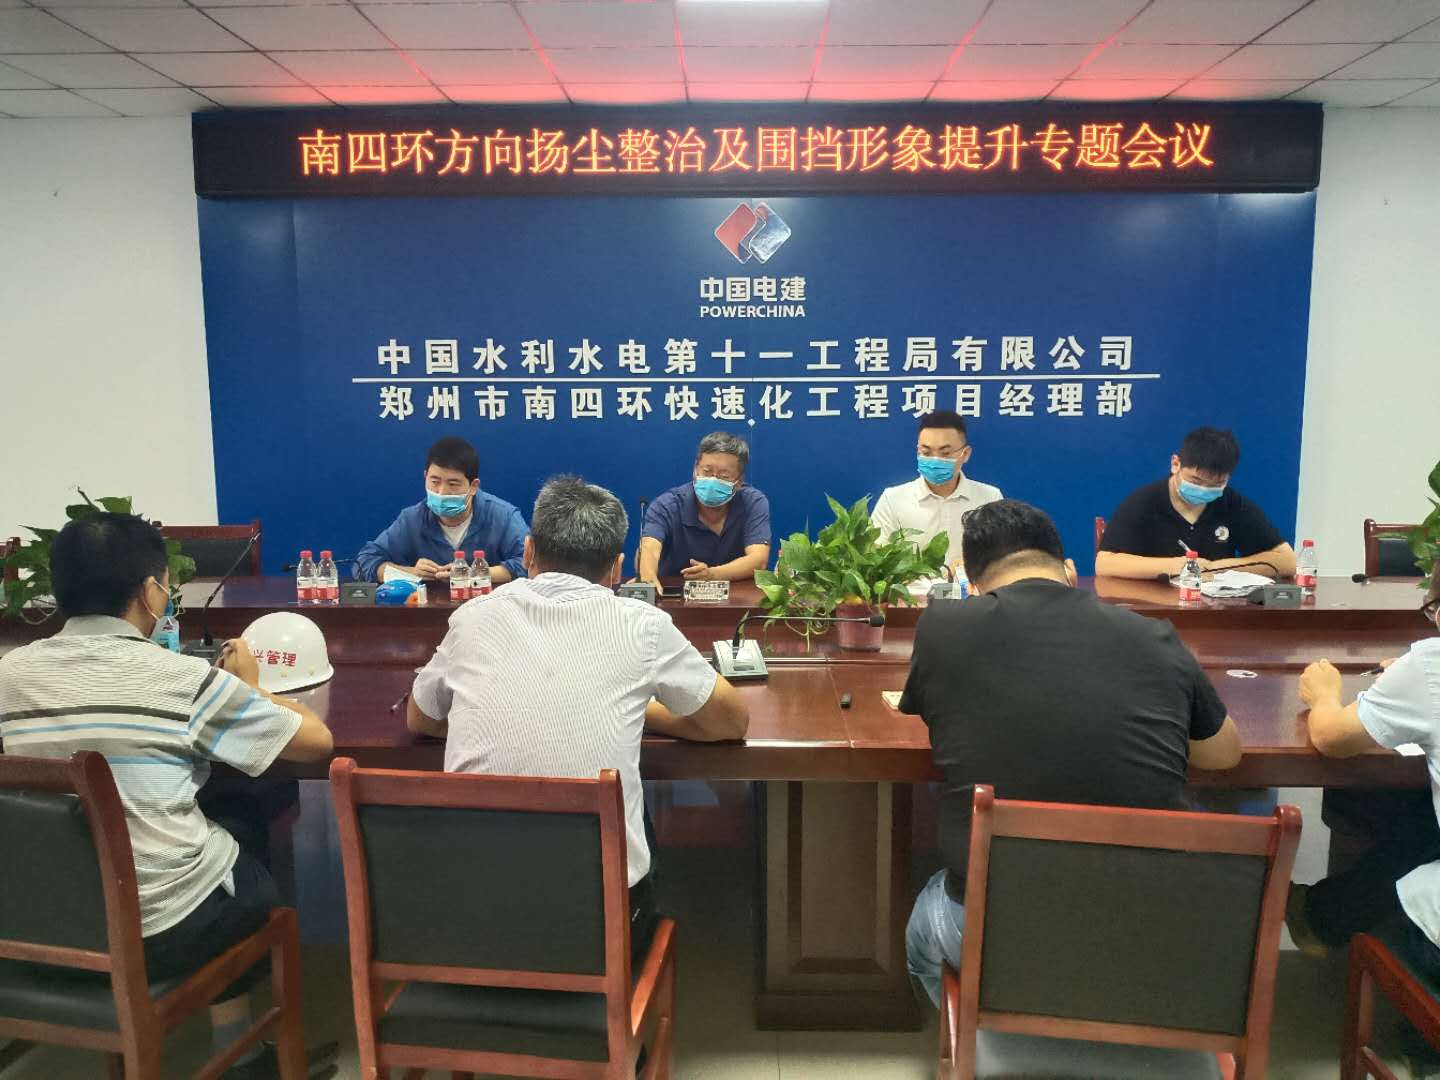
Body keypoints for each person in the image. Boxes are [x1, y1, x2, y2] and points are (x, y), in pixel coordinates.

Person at [0, 514, 335, 1079]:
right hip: (158, 931)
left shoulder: (10, 673)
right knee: (245, 827)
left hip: (40, 918)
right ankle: (242, 1053)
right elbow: (316, 743)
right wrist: (249, 689)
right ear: (150, 591)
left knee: (217, 819)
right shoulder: (179, 679)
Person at [899, 499, 1243, 1007]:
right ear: (1069, 569)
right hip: (1151, 924)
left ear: (972, 583)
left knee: (924, 927)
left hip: (1004, 924)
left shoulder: (944, 627)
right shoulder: (1155, 635)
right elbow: (1224, 754)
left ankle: (988, 1035)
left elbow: (924, 714)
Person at [408, 476, 750, 954]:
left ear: (528, 551)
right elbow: (731, 722)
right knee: (636, 825)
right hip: (596, 932)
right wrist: (644, 711)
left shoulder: (473, 617)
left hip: (473, 919)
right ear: (616, 569)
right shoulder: (642, 624)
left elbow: (421, 720)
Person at [1286, 563, 1440, 983]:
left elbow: (1331, 738)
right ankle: (1323, 916)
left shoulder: (1431, 666)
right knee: (1421, 817)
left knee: (1409, 817)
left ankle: (1323, 919)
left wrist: (1324, 695)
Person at [1096, 426, 1297, 581]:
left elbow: (1287, 560)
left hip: (1215, 607)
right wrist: (1178, 566)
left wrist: (1218, 568)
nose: (1204, 489)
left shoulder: (1232, 503)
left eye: (1217, 484)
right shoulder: (1145, 501)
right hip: (1151, 608)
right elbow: (1105, 564)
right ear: (1175, 464)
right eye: (1196, 481)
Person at [353, 436, 527, 585]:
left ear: (473, 486)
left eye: (453, 484)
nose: (442, 492)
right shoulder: (412, 519)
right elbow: (364, 563)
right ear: (425, 477)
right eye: (435, 482)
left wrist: (475, 573)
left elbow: (530, 564)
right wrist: (411, 573)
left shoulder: (503, 516)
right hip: (430, 610)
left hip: (490, 608)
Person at [870, 410, 1002, 571]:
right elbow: (876, 560)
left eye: (945, 453)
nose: (935, 460)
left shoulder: (989, 498)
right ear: (917, 451)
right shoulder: (893, 500)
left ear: (965, 454)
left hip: (972, 586)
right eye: (926, 452)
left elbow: (1002, 558)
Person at [637, 432, 772, 586]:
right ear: (695, 471)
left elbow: (758, 560)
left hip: (737, 596)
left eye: (724, 476)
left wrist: (711, 574)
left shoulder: (752, 503)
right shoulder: (667, 506)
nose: (713, 480)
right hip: (674, 595)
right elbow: (649, 547)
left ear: (739, 482)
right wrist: (647, 579)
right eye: (707, 471)